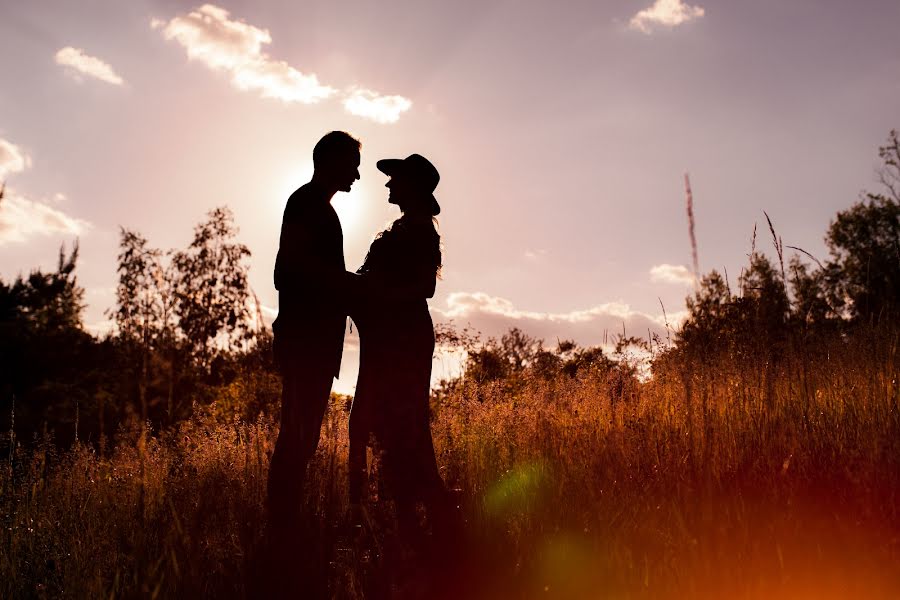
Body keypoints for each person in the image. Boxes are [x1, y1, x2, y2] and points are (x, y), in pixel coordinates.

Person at [348, 153, 454, 545]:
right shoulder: (405, 227)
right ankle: (410, 522)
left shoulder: (420, 231)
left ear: (411, 186)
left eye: (395, 180)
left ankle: (431, 519)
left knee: (403, 427)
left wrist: (374, 294)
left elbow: (423, 288)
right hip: (389, 336)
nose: (389, 185)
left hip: (403, 339)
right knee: (389, 428)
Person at [266, 131, 360, 562]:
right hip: (307, 342)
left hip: (315, 342)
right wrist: (348, 285)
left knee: (302, 439)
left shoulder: (318, 208)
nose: (357, 174)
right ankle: (280, 533)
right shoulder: (306, 204)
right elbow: (289, 270)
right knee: (297, 437)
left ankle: (283, 529)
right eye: (352, 164)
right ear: (331, 162)